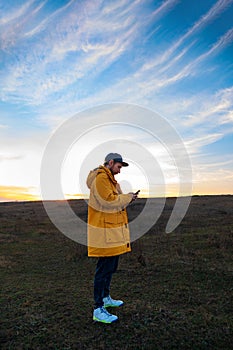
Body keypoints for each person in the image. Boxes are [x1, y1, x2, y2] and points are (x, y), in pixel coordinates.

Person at [86, 153, 138, 323]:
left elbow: (116, 201)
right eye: (119, 166)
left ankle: (106, 298)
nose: (120, 170)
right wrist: (128, 197)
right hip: (104, 232)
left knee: (110, 267)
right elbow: (108, 201)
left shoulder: (110, 180)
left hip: (112, 232)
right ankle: (98, 308)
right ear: (110, 162)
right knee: (103, 270)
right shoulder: (101, 178)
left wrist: (128, 198)